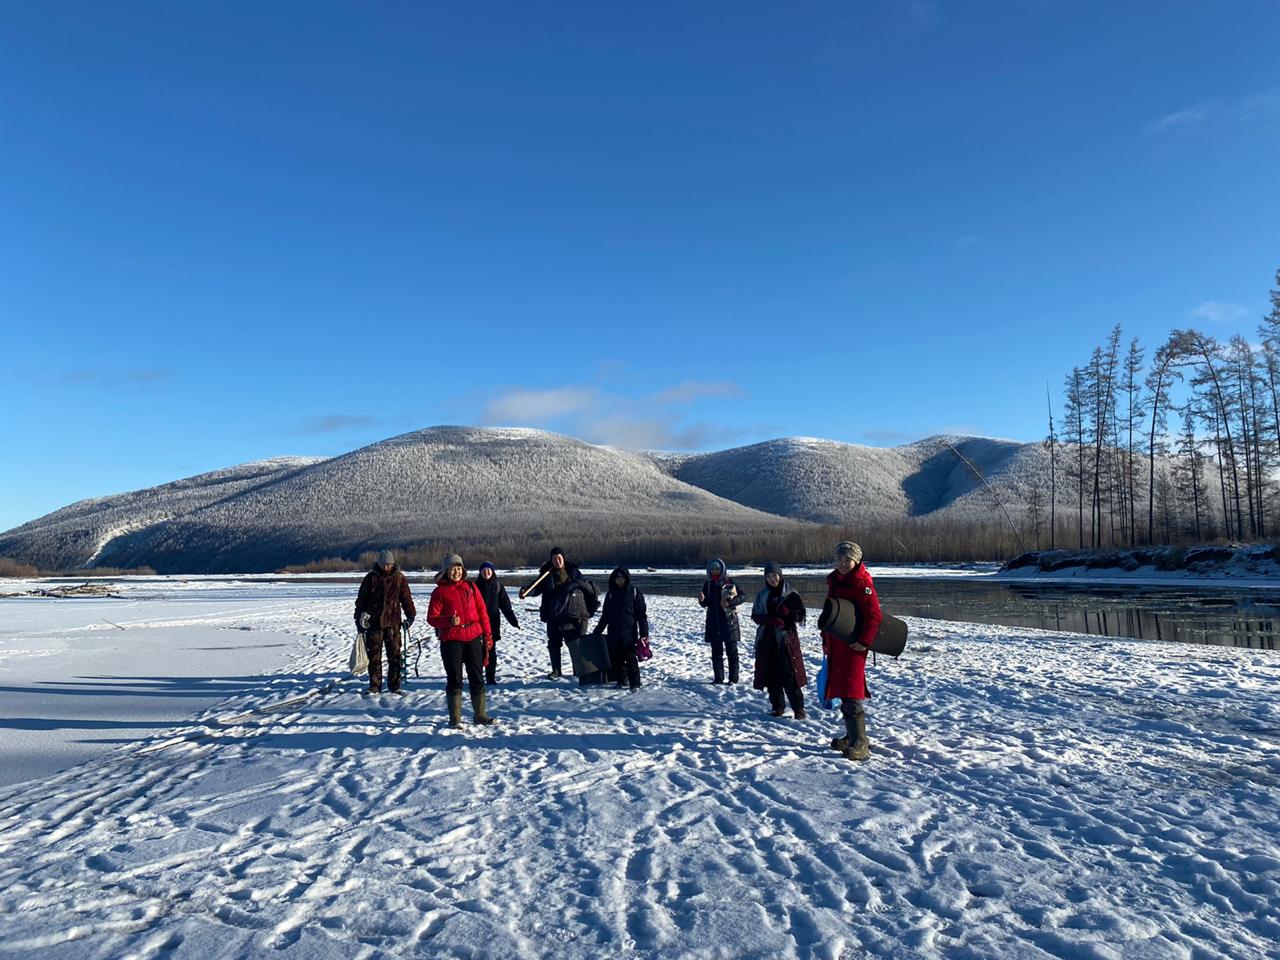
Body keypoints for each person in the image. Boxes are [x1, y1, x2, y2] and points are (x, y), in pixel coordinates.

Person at [821, 541, 882, 761]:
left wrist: (865, 642)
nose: (843, 564)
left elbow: (874, 616)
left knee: (851, 690)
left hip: (855, 646)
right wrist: (825, 639)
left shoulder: (861, 582)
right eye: (839, 559)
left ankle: (861, 742)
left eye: (847, 560)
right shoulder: (835, 581)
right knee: (842, 690)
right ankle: (851, 735)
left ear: (856, 561)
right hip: (837, 644)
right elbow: (831, 613)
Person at [426, 553, 494, 728]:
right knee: (455, 678)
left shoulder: (471, 587)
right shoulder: (439, 592)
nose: (456, 572)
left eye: (458, 568)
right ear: (446, 571)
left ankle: (480, 715)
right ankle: (455, 718)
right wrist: (448, 621)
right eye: (452, 569)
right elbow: (432, 618)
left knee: (477, 677)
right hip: (451, 640)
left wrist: (488, 636)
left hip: (473, 636)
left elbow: (482, 613)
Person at [519, 547, 595, 680]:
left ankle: (577, 670)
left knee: (573, 643)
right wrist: (526, 591)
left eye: (559, 558)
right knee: (554, 643)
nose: (557, 560)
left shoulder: (573, 572)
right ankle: (556, 670)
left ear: (563, 558)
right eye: (554, 558)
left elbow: (584, 587)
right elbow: (536, 588)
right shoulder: (546, 574)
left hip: (570, 614)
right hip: (552, 614)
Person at [353, 550, 416, 694]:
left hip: (393, 623)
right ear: (378, 564)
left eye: (389, 564)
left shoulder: (399, 578)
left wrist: (410, 616)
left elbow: (406, 599)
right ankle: (375, 685)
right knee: (374, 657)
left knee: (395, 656)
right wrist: (358, 620)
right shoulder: (370, 578)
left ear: (393, 564)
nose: (386, 567)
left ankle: (395, 685)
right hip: (373, 623)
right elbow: (361, 601)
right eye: (383, 564)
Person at [750, 561, 808, 719]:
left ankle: (798, 709)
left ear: (780, 575)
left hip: (786, 640)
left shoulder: (790, 593)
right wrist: (771, 620)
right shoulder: (762, 595)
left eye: (774, 575)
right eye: (768, 576)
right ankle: (778, 706)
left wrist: (788, 615)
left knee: (790, 675)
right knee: (771, 675)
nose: (772, 579)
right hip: (767, 640)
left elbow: (801, 615)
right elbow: (755, 616)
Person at [589, 566, 648, 691]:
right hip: (613, 632)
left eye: (622, 578)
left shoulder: (634, 593)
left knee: (631, 659)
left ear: (626, 579)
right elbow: (605, 616)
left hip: (629, 634)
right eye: (617, 578)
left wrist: (644, 634)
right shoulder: (611, 594)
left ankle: (635, 683)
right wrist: (597, 632)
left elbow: (641, 616)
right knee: (616, 659)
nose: (619, 580)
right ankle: (622, 681)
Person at [698, 558, 745, 684]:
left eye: (717, 569)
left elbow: (743, 596)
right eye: (712, 569)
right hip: (713, 623)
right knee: (716, 653)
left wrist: (729, 602)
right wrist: (702, 600)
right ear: (709, 570)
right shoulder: (707, 584)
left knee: (732, 653)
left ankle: (733, 680)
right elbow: (706, 604)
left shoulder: (730, 582)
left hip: (729, 623)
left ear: (722, 569)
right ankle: (718, 679)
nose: (715, 571)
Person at [474, 562, 519, 685]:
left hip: (493, 624)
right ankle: (477, 677)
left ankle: (490, 677)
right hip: (477, 625)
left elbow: (505, 606)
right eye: (484, 570)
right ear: (480, 572)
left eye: (489, 570)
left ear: (493, 572)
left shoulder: (498, 586)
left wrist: (513, 621)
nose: (486, 572)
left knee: (491, 652)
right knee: (476, 652)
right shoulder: (475, 586)